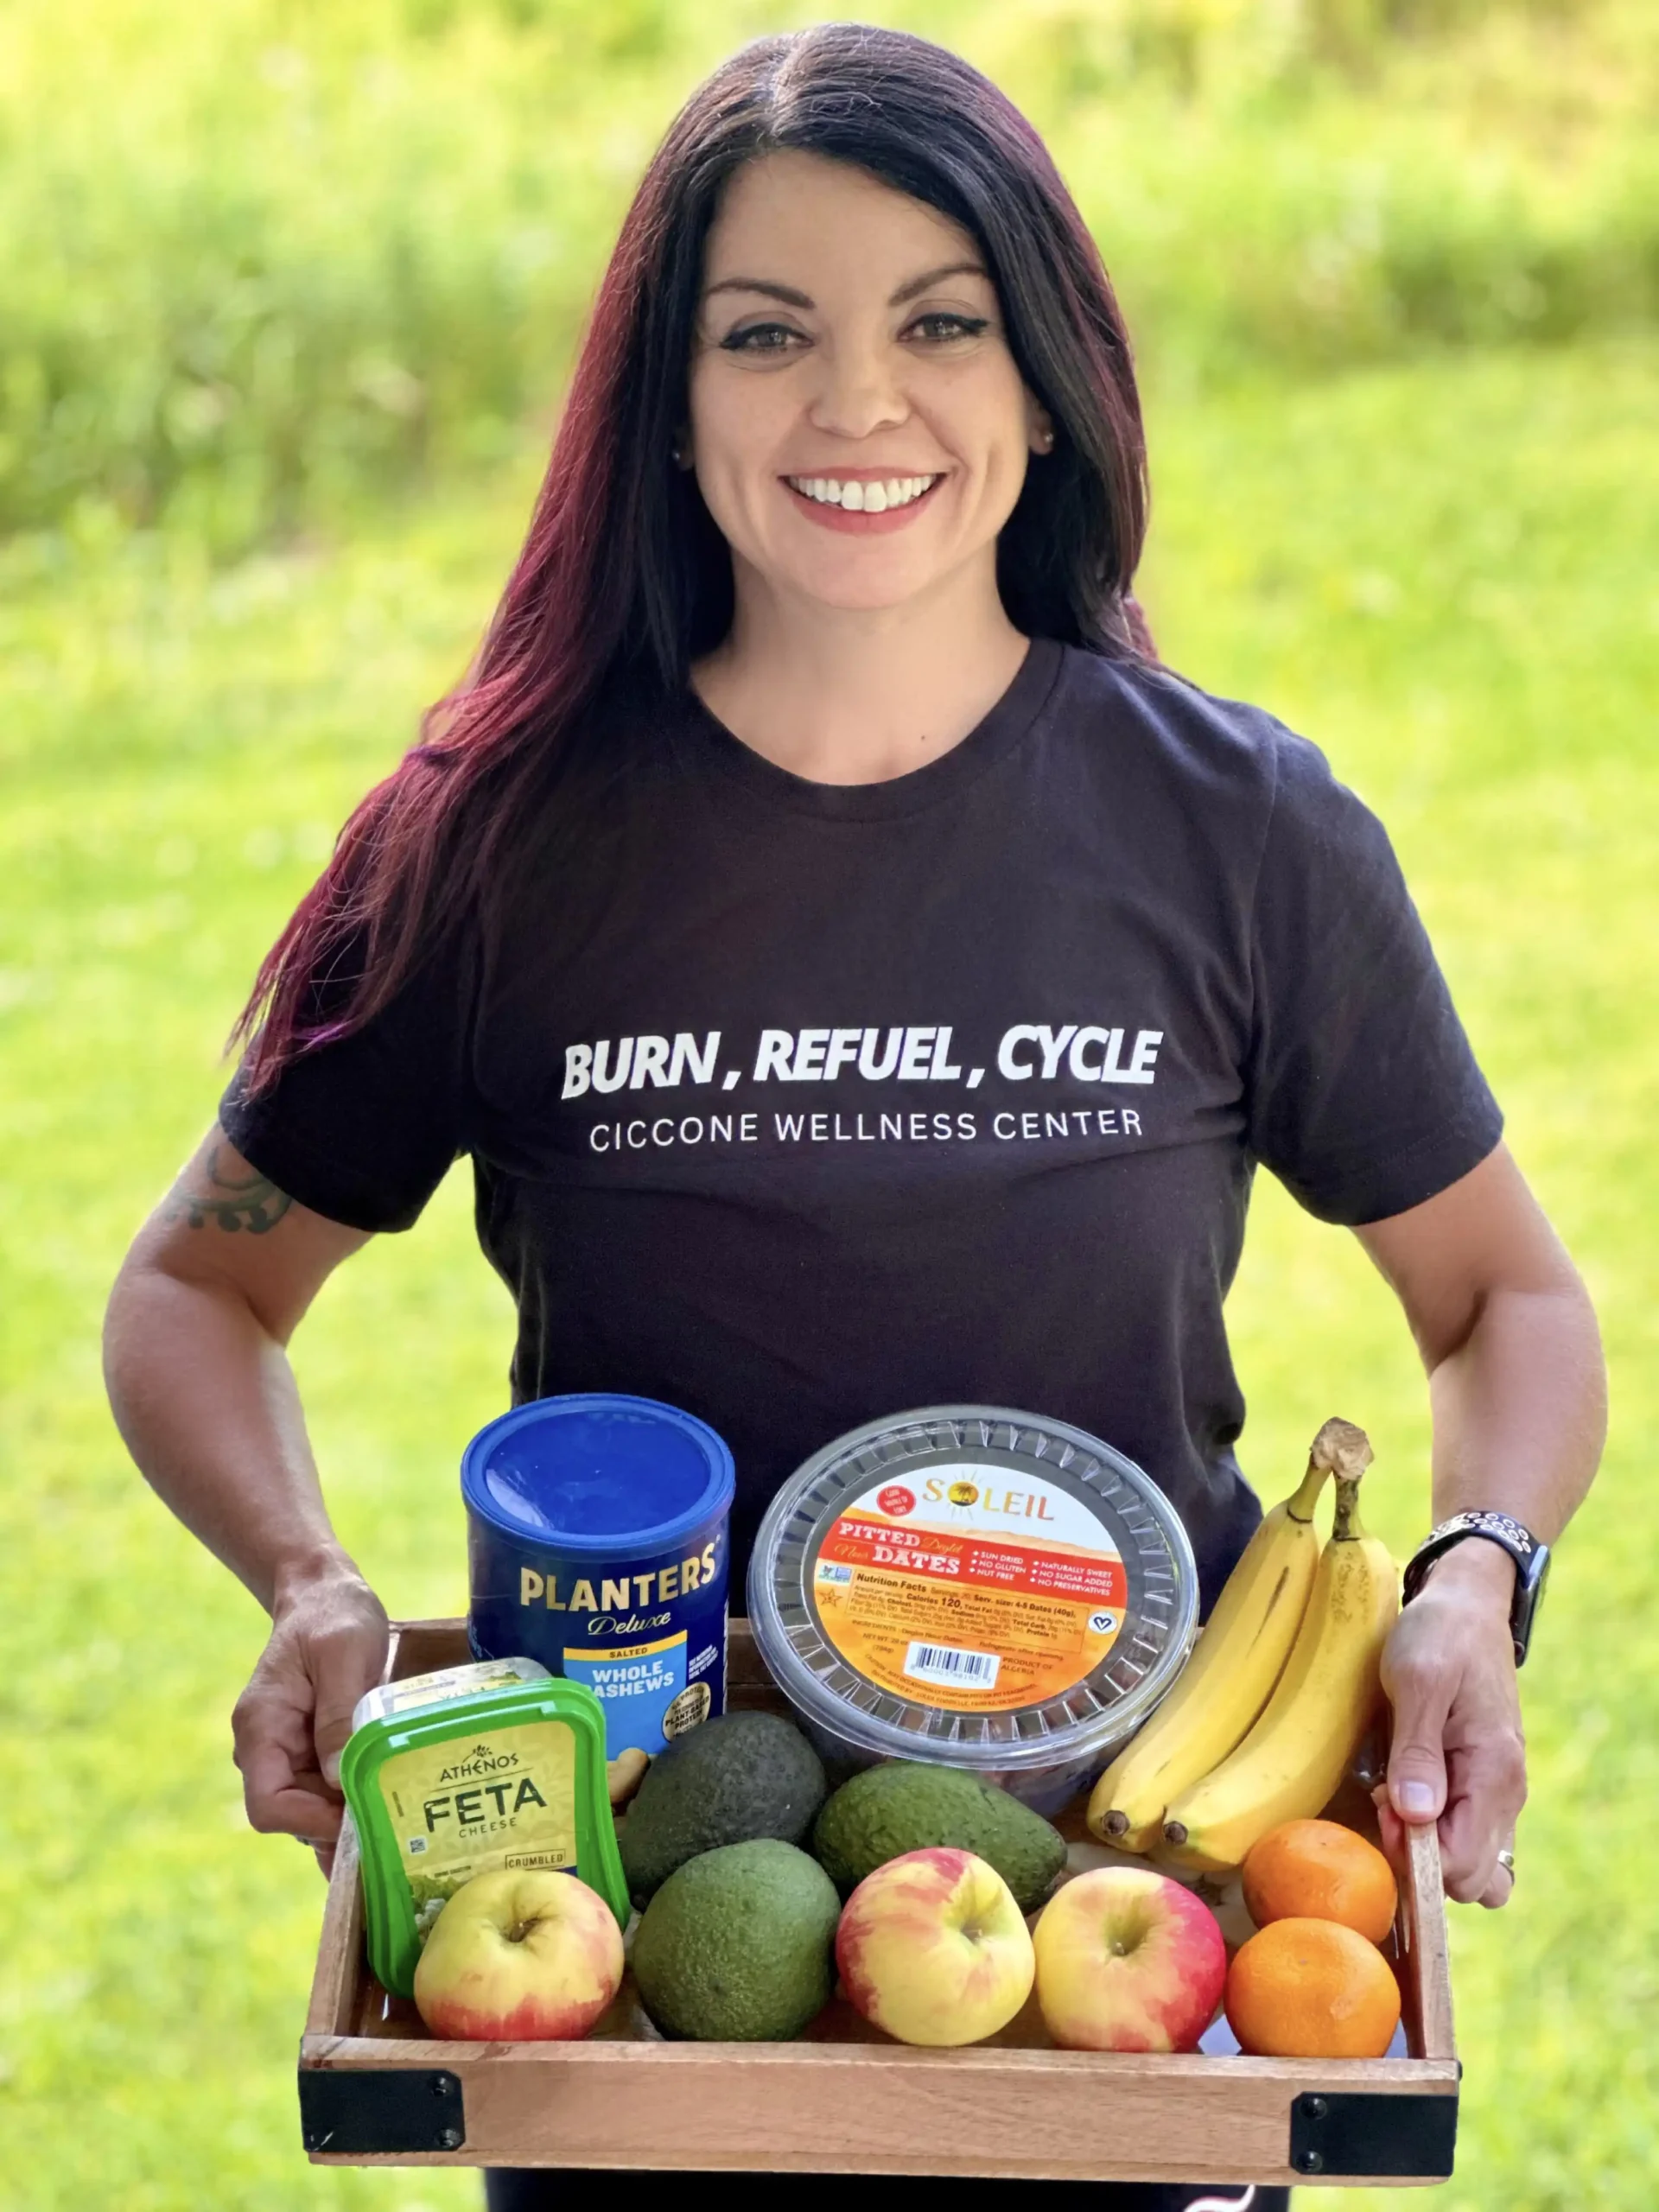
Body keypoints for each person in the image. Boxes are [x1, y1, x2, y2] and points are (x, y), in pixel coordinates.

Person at [104, 25, 1604, 2210]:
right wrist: (308, 1578)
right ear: (672, 403)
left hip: (1128, 1919)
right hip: (644, 1967)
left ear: (1042, 378)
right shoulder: (494, 844)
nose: (858, 402)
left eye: (939, 325)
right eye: (767, 332)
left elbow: (1503, 1300)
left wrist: (1472, 1577)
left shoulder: (1244, 835)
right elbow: (197, 1287)